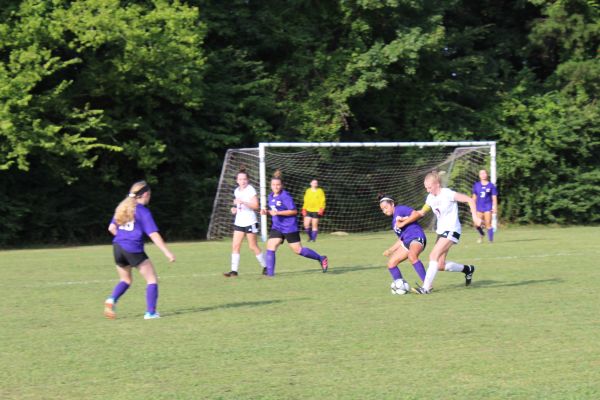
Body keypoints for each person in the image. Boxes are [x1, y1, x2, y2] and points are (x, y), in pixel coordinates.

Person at [397, 171, 481, 295]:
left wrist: (475, 217)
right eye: (426, 188)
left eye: (429, 187)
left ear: (436, 184)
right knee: (440, 265)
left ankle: (426, 288)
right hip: (441, 231)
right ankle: (468, 269)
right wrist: (404, 220)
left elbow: (469, 200)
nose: (427, 190)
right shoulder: (430, 198)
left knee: (433, 256)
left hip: (452, 230)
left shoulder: (447, 193)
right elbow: (421, 213)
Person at [104, 181, 175, 320]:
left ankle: (111, 300)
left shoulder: (122, 207)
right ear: (146, 194)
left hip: (118, 247)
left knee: (126, 279)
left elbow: (111, 228)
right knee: (152, 279)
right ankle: (151, 313)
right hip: (133, 248)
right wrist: (167, 252)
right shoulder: (143, 211)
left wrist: (123, 238)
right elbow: (153, 234)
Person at [260, 171, 328, 276]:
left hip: (289, 227)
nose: (276, 187)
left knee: (298, 250)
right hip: (277, 227)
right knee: (270, 245)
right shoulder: (270, 196)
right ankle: (270, 275)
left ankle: (321, 258)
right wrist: (266, 212)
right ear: (271, 185)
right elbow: (273, 210)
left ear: (281, 185)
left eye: (278, 185)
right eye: (273, 184)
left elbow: (294, 211)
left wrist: (278, 212)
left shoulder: (285, 196)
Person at [224, 167, 267, 277]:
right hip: (239, 222)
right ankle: (234, 271)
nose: (242, 181)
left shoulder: (250, 190)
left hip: (250, 222)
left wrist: (242, 202)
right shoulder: (236, 191)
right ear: (237, 180)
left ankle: (266, 266)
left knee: (252, 246)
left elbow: (256, 206)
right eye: (240, 179)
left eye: (244, 179)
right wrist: (235, 209)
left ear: (248, 180)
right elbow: (239, 207)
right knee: (235, 246)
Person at [378, 195, 427, 285]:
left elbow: (416, 214)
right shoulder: (393, 222)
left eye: (386, 207)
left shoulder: (400, 209)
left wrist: (402, 222)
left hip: (416, 237)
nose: (385, 210)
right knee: (391, 263)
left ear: (392, 204)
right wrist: (391, 250)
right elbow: (402, 238)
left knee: (412, 256)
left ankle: (427, 285)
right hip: (406, 242)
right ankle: (400, 285)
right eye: (383, 209)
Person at [472, 169, 498, 243]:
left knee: (488, 224)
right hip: (479, 208)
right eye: (481, 174)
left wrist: (495, 207)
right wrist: (472, 207)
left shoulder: (491, 186)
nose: (483, 175)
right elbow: (474, 197)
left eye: (484, 173)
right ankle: (482, 234)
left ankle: (491, 240)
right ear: (479, 176)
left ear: (487, 174)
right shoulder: (476, 185)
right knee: (476, 225)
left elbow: (494, 198)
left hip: (487, 207)